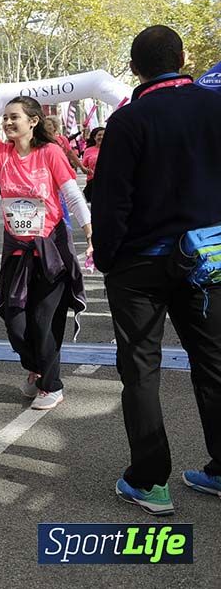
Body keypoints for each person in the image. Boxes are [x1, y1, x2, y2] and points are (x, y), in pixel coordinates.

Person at [93, 25, 221, 515]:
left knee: (141, 370)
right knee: (212, 362)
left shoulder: (129, 120)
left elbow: (111, 202)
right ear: (184, 56)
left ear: (134, 68)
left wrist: (107, 258)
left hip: (140, 265)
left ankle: (150, 481)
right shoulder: (215, 107)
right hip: (208, 259)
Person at [0, 59, 90, 410]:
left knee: (43, 322)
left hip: (51, 248)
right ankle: (36, 368)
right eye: (5, 117)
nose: (8, 122)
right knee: (14, 321)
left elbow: (71, 195)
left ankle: (51, 385)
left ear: (33, 122)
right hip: (16, 250)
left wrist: (90, 232)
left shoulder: (51, 152)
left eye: (15, 117)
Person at [81, 127, 104, 203]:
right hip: (92, 183)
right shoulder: (88, 150)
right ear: (94, 137)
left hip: (107, 182)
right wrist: (87, 170)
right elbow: (83, 167)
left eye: (104, 135)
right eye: (99, 135)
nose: (101, 137)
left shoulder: (112, 148)